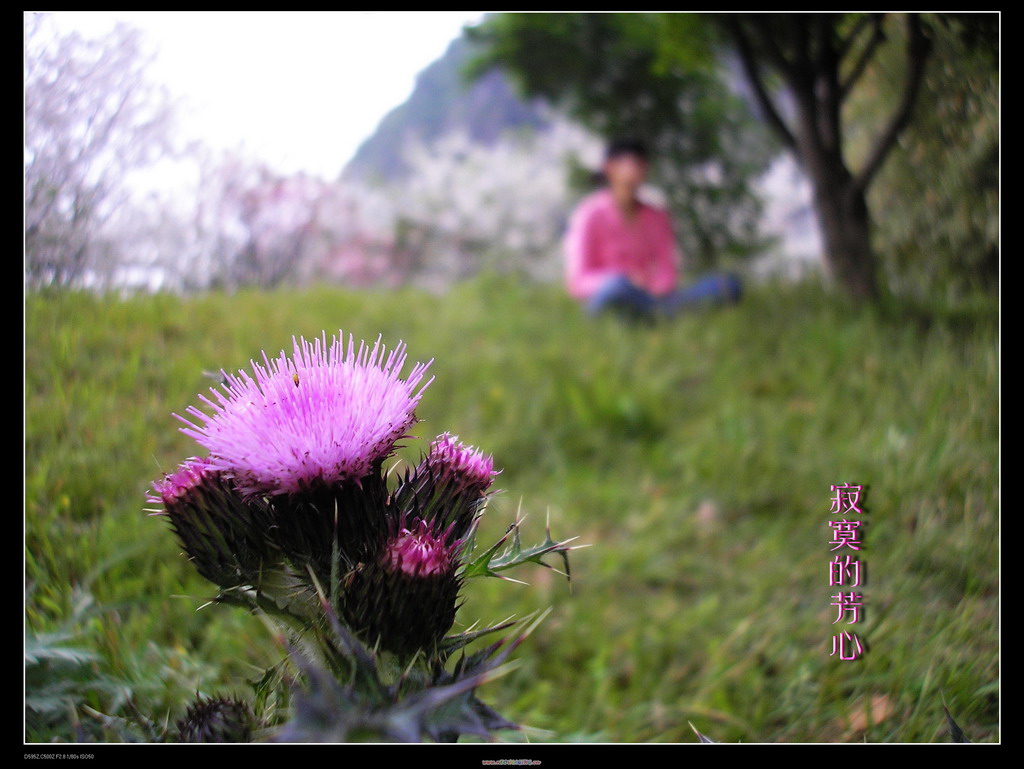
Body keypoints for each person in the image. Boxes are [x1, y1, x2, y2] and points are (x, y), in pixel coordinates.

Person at [564, 138, 741, 320]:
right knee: (617, 288)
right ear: (610, 167)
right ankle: (664, 317)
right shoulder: (588, 214)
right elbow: (578, 282)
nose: (639, 170)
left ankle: (658, 317)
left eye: (642, 164)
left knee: (726, 284)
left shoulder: (658, 216)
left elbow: (667, 270)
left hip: (652, 298)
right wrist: (625, 279)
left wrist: (655, 287)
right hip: (612, 295)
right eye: (633, 163)